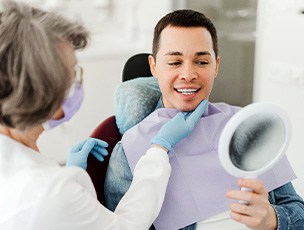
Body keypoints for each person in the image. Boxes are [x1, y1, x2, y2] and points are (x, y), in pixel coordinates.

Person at [0, 2, 209, 229]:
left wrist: (72, 172)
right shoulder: (53, 191)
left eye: (202, 61)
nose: (188, 74)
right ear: (45, 91)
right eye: (72, 74)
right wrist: (159, 148)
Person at [104, 9, 304, 230]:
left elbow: (298, 212)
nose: (188, 74)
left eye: (201, 62)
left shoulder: (249, 128)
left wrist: (271, 219)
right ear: (154, 67)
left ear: (216, 66)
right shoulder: (129, 152)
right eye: (174, 62)